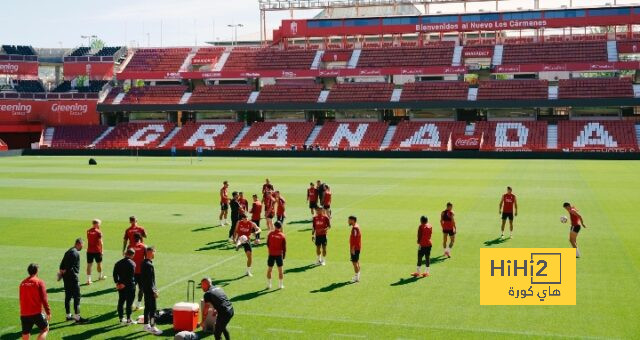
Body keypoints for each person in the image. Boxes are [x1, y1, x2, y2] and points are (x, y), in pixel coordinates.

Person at [58, 238, 88, 323]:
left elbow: (62, 266)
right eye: (82, 245)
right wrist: (75, 278)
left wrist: (62, 274)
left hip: (66, 278)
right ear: (79, 244)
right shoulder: (75, 253)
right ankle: (77, 318)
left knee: (68, 297)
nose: (83, 247)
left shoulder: (68, 251)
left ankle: (68, 315)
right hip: (72, 278)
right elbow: (70, 268)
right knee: (77, 297)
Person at [19, 264, 50, 340]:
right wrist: (48, 312)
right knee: (45, 329)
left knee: (25, 333)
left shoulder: (22, 283)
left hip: (24, 313)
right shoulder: (39, 282)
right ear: (37, 271)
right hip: (36, 313)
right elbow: (44, 298)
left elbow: (21, 298)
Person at [141, 246, 162, 335]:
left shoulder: (143, 263)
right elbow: (150, 280)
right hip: (150, 290)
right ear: (149, 253)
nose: (154, 254)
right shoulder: (149, 265)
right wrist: (154, 291)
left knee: (147, 307)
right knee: (153, 309)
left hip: (146, 289)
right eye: (154, 252)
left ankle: (146, 325)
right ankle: (153, 326)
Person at [113, 248, 136, 325]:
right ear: (132, 255)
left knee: (121, 301)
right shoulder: (132, 264)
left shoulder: (118, 263)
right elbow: (130, 276)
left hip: (120, 286)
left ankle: (121, 318)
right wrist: (124, 284)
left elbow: (114, 274)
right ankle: (129, 319)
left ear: (126, 253)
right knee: (129, 303)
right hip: (129, 286)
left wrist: (117, 283)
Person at [266, 221, 286, 290]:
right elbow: (284, 247)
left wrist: (271, 250)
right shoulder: (282, 235)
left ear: (274, 226)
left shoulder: (270, 234)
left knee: (269, 270)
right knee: (280, 271)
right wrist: (284, 256)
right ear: (280, 227)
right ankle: (280, 285)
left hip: (271, 254)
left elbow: (267, 244)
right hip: (279, 255)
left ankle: (269, 285)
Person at [86, 219, 106, 285]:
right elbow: (101, 242)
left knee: (89, 265)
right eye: (99, 223)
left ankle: (88, 280)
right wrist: (102, 251)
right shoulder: (99, 232)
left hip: (89, 251)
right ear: (97, 224)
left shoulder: (88, 231)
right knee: (99, 264)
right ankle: (100, 277)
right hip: (97, 251)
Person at [131, 233, 147, 310]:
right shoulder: (143, 246)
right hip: (141, 271)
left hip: (132, 271)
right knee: (141, 288)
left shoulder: (130, 246)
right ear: (140, 238)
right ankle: (138, 305)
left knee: (131, 288)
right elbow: (147, 259)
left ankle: (131, 304)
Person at [348, 216, 361, 283]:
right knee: (357, 261)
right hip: (357, 247)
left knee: (354, 263)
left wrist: (352, 248)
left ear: (353, 220)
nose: (348, 221)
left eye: (349, 220)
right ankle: (358, 275)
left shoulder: (355, 228)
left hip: (355, 248)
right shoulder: (356, 226)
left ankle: (356, 277)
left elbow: (355, 239)